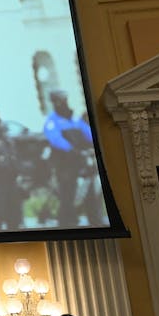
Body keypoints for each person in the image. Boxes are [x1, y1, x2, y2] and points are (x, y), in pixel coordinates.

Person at [43, 89, 99, 227]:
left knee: (90, 193)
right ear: (55, 102)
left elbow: (88, 133)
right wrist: (72, 149)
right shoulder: (52, 121)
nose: (64, 103)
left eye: (65, 99)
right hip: (65, 164)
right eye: (60, 100)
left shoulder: (74, 118)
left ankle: (95, 222)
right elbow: (55, 139)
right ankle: (67, 223)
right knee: (67, 195)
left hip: (81, 162)